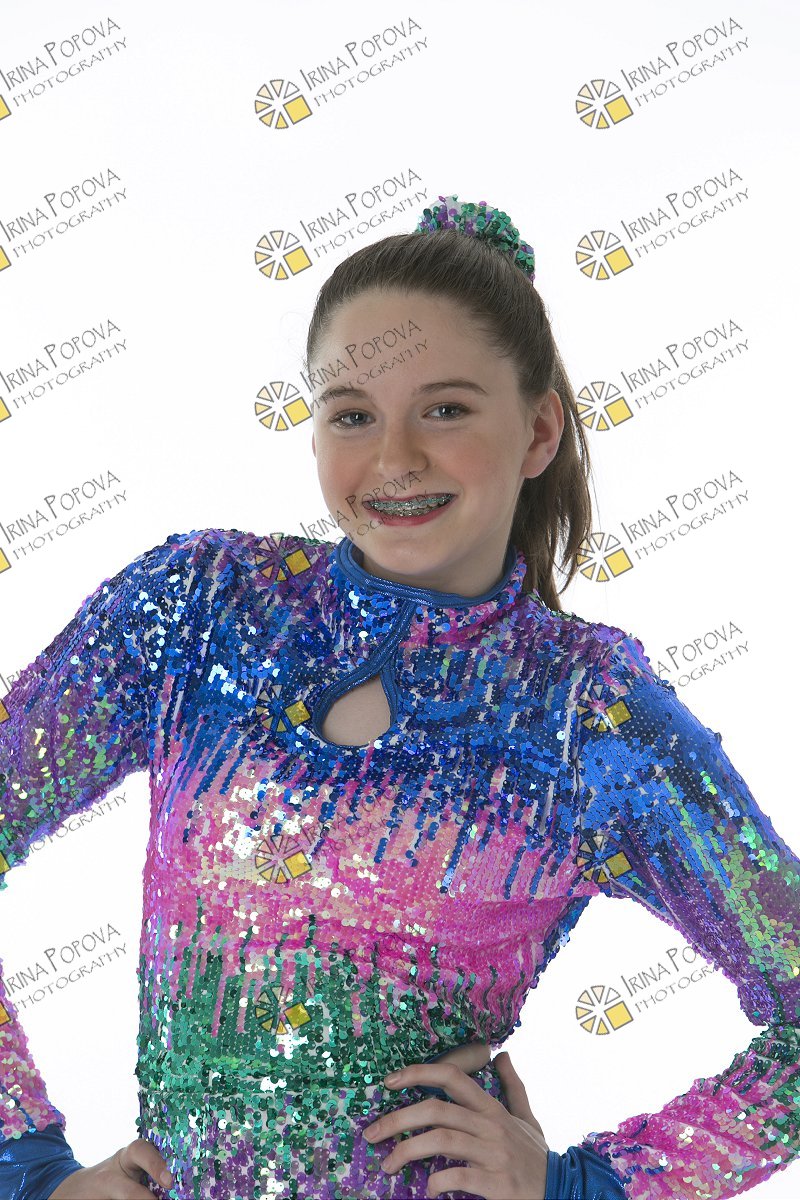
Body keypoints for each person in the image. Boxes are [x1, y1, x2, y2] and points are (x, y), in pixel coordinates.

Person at [0, 194, 797, 1200]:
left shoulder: (588, 713)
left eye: (446, 409)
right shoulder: (201, 608)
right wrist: (27, 1167)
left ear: (538, 429)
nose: (395, 459)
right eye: (352, 416)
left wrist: (580, 1187)